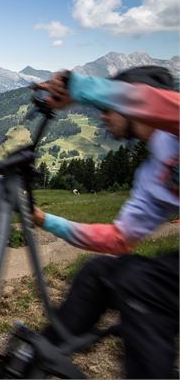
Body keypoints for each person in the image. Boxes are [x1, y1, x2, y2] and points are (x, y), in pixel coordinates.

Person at [31, 66, 179, 378]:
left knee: (142, 284)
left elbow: (157, 104)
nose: (102, 116)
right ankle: (23, 365)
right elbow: (118, 239)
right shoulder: (152, 178)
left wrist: (80, 88)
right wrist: (45, 220)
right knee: (97, 274)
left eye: (106, 108)